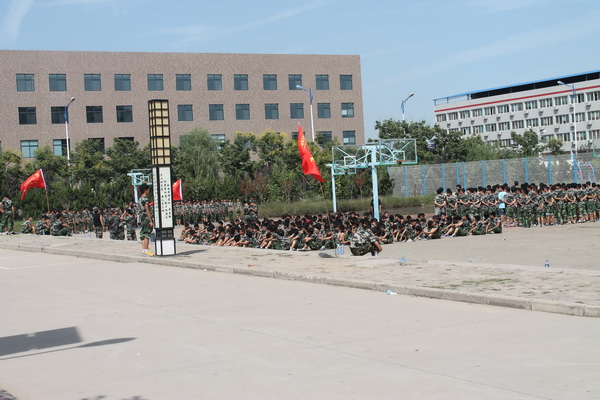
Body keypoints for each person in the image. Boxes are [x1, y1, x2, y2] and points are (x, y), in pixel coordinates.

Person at [138, 183, 154, 256]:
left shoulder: (140, 199)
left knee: (143, 233)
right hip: (146, 218)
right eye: (148, 189)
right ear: (145, 190)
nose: (149, 191)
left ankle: (144, 250)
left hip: (142, 218)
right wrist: (150, 220)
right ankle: (146, 250)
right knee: (147, 233)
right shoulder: (145, 199)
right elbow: (147, 210)